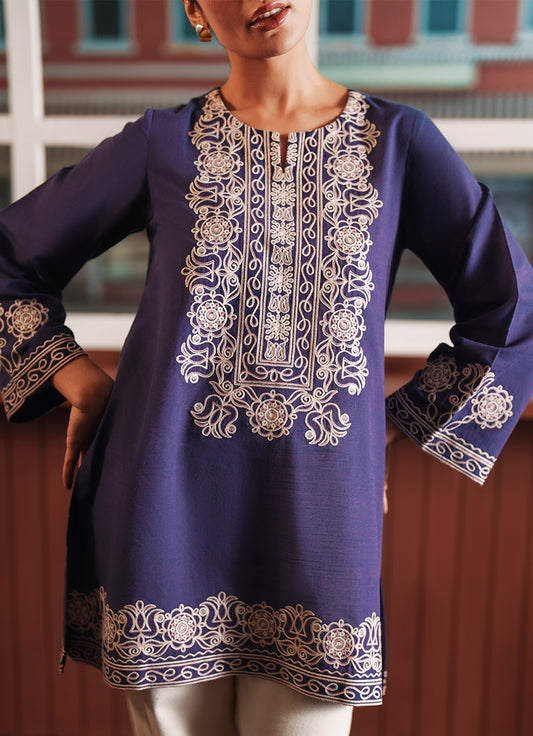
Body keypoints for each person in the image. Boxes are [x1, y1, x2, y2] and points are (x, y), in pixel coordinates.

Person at [1, 1, 533, 734]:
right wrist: (75, 377)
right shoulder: (161, 143)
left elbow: (511, 310)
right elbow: (9, 259)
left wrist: (388, 427)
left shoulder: (397, 144)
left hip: (322, 520)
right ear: (195, 9)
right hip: (162, 509)